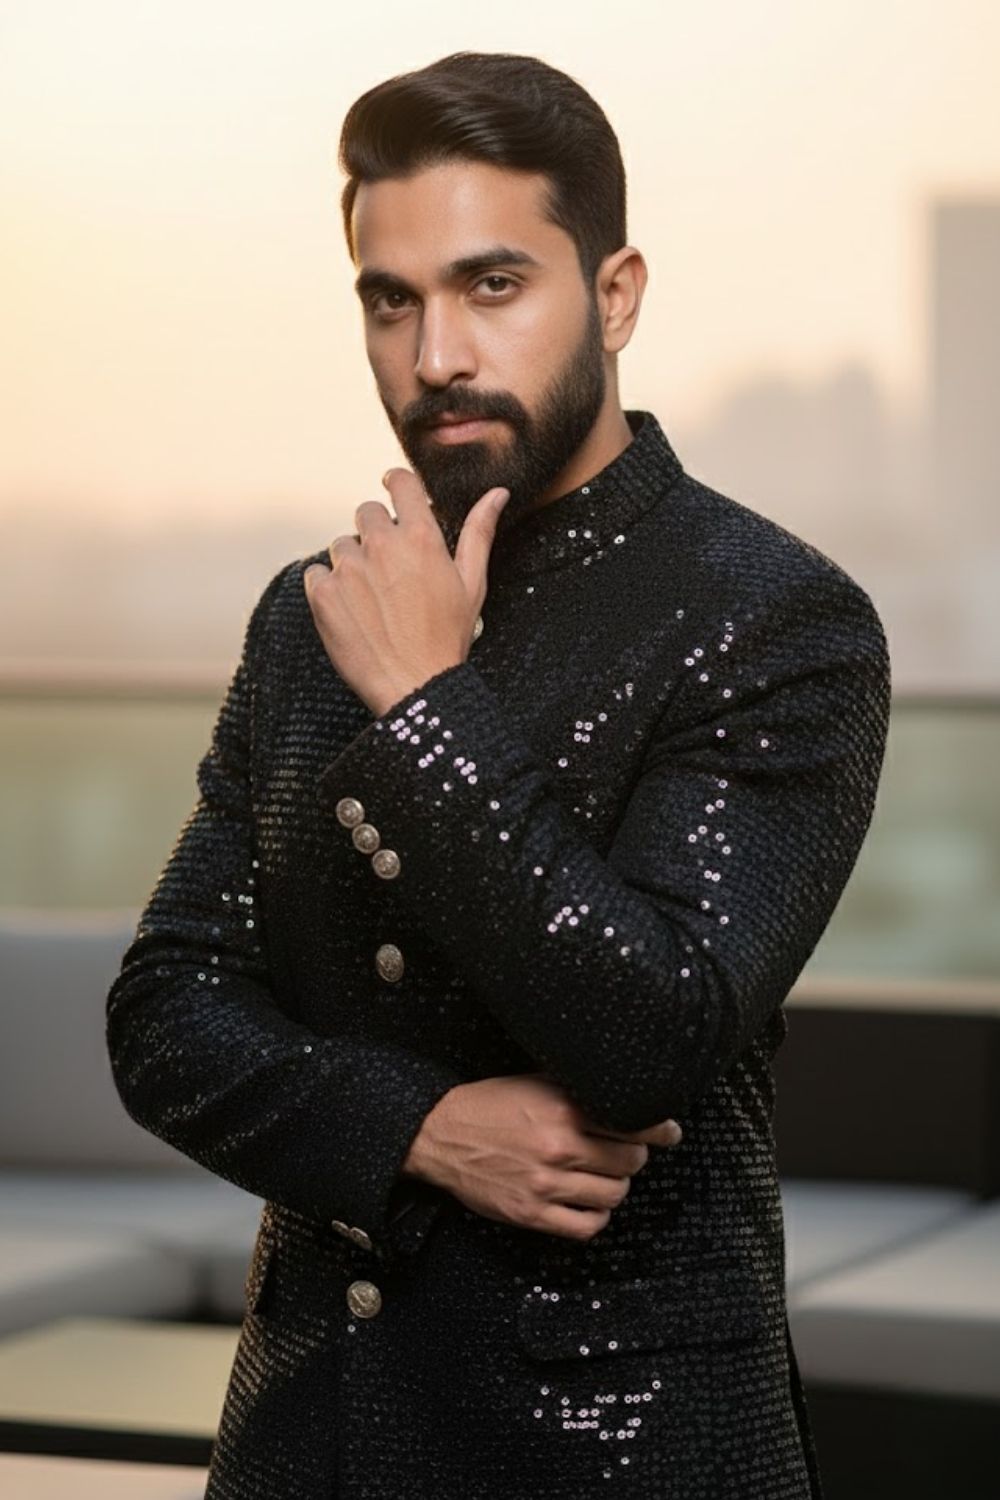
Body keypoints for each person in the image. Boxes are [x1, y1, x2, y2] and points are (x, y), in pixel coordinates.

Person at [106, 50, 891, 1499]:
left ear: (616, 294)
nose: (436, 355)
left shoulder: (777, 616)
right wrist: (417, 1131)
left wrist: (423, 703)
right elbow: (163, 1018)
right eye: (390, 300)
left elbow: (652, 1034)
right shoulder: (311, 612)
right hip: (307, 1441)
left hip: (628, 1453)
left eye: (492, 285)